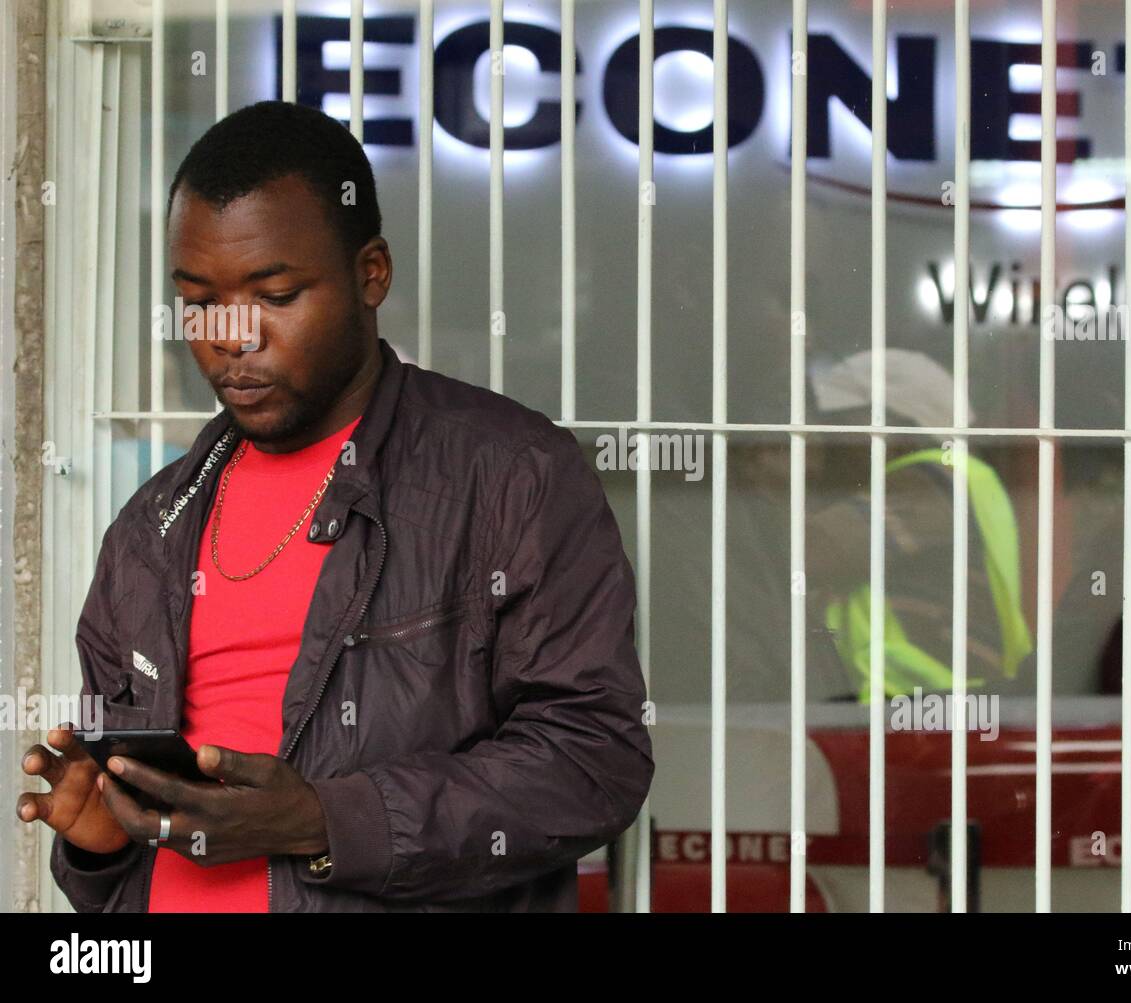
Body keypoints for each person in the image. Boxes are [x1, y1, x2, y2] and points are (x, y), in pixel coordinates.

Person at [14, 100, 654, 912]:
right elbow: (132, 861)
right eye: (200, 300)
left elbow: (593, 759)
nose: (231, 335)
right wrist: (100, 839)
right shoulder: (152, 527)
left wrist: (326, 821)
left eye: (275, 293)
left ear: (371, 272)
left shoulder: (510, 476)